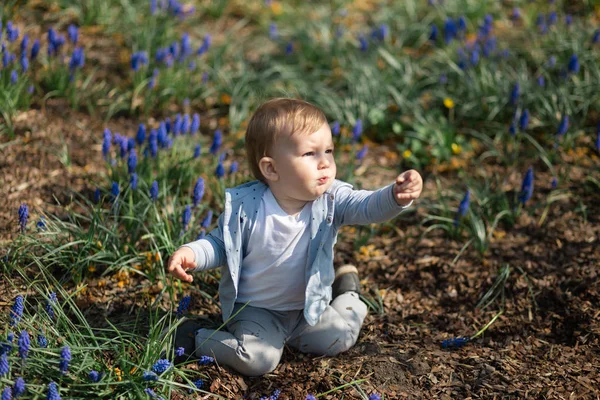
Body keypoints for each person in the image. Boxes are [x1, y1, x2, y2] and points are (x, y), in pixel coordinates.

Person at [166, 98, 423, 377]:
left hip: (307, 309)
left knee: (339, 338)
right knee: (258, 361)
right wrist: (191, 253)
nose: (325, 162)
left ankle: (349, 295)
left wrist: (395, 197)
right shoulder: (248, 208)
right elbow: (220, 244)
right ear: (271, 169)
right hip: (257, 310)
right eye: (310, 154)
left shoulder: (332, 199)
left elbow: (367, 205)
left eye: (329, 150)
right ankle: (193, 337)